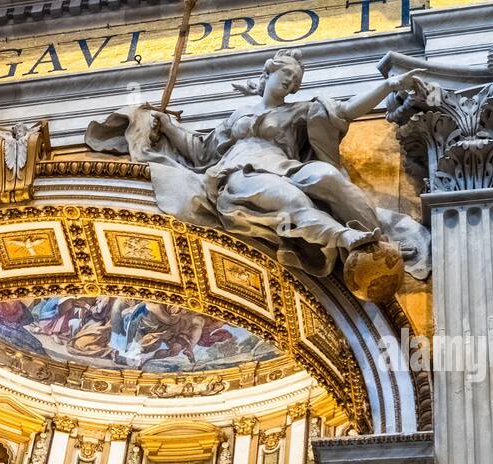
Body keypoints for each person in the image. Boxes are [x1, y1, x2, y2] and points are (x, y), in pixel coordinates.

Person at [87, 49, 429, 287]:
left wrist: (388, 86)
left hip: (285, 165)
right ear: (268, 73)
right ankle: (346, 236)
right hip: (241, 172)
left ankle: (378, 241)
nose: (291, 84)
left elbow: (344, 112)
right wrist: (166, 123)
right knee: (294, 203)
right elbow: (199, 150)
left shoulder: (298, 111)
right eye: (287, 76)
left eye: (295, 81)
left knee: (327, 177)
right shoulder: (238, 116)